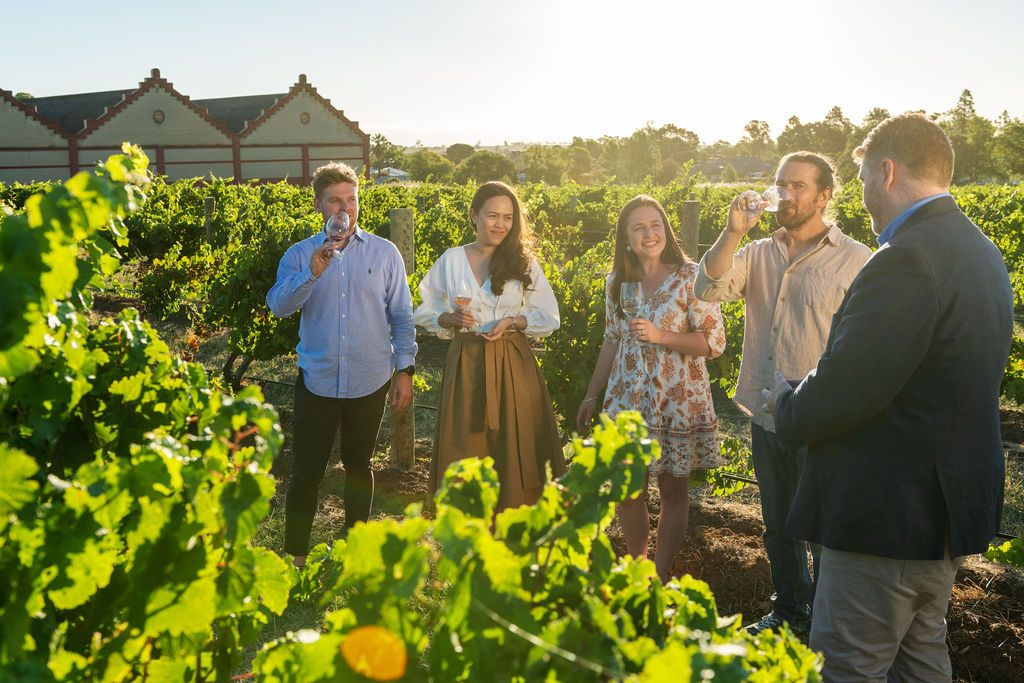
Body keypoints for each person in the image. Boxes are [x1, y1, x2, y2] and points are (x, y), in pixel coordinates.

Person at [765, 114, 1012, 681]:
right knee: (920, 662)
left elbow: (849, 386)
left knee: (848, 667)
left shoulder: (904, 258)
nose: (864, 197)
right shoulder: (981, 251)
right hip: (942, 515)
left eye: (863, 181)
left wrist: (787, 404)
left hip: (885, 516)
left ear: (888, 172)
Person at [694, 152, 872, 635]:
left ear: (825, 195)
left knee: (824, 531)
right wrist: (733, 231)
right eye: (781, 184)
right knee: (779, 524)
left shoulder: (856, 260)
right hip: (767, 410)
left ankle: (828, 627)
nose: (786, 195)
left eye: (798, 186)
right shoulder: (756, 252)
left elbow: (864, 346)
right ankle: (791, 613)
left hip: (822, 420)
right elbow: (707, 288)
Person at [267, 162, 417, 568]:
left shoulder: (385, 253)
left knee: (359, 466)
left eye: (351, 199)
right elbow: (279, 306)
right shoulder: (300, 254)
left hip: (371, 378)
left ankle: (354, 551)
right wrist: (312, 274)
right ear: (319, 204)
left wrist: (405, 370)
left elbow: (402, 315)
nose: (345, 208)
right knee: (306, 473)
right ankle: (296, 559)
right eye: (335, 200)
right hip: (317, 378)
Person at [576, 195, 726, 583]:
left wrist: (661, 336)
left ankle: (659, 578)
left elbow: (712, 343)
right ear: (626, 238)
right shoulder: (617, 282)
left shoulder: (692, 277)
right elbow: (612, 339)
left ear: (667, 230)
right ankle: (639, 571)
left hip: (676, 399)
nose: (649, 233)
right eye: (639, 227)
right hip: (627, 399)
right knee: (628, 492)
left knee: (673, 493)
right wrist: (591, 395)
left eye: (655, 224)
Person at [413, 181, 565, 508]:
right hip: (466, 361)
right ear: (474, 215)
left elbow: (549, 316)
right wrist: (447, 318)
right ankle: (469, 522)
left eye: (508, 217)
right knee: (464, 442)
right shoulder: (452, 260)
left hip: (512, 361)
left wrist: (513, 321)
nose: (500, 224)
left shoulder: (522, 262)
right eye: (492, 215)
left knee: (514, 440)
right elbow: (424, 309)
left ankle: (515, 516)